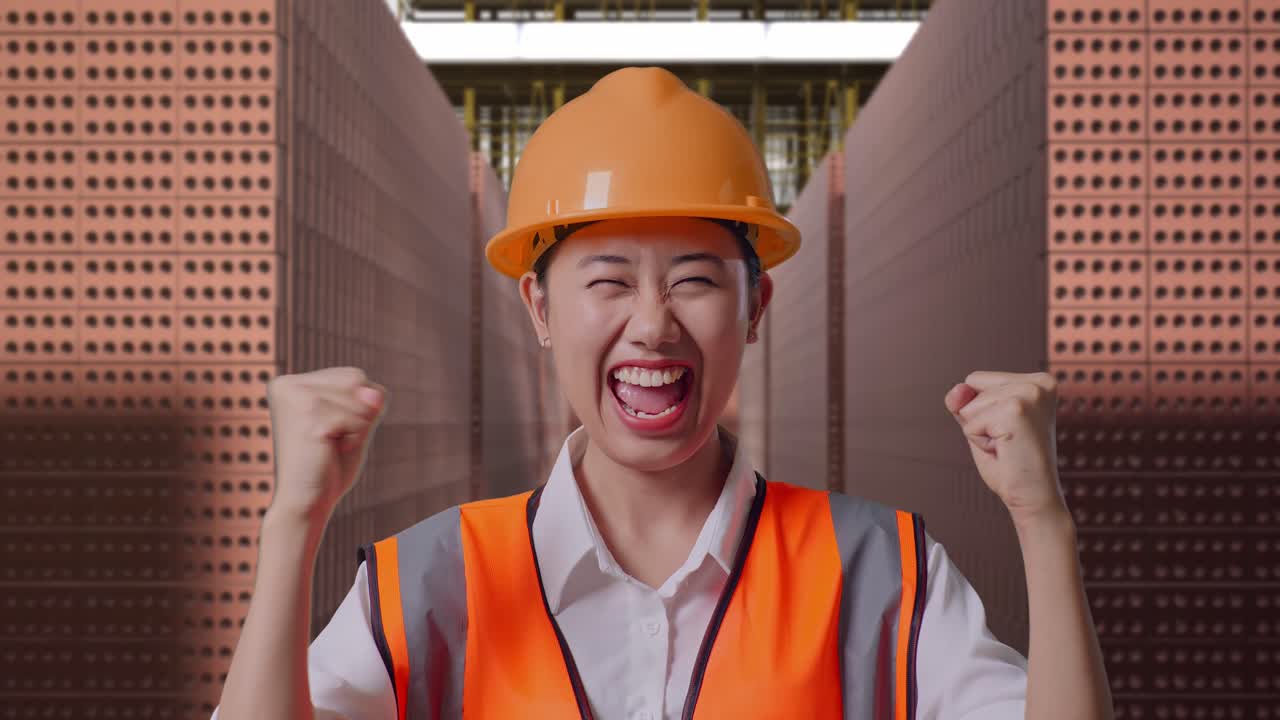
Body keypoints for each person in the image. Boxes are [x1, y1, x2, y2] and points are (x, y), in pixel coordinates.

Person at [211, 66, 1113, 720]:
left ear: (755, 307)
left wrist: (1043, 521)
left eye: (694, 280)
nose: (652, 325)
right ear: (539, 308)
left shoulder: (883, 571)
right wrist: (292, 523)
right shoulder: (426, 582)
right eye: (607, 280)